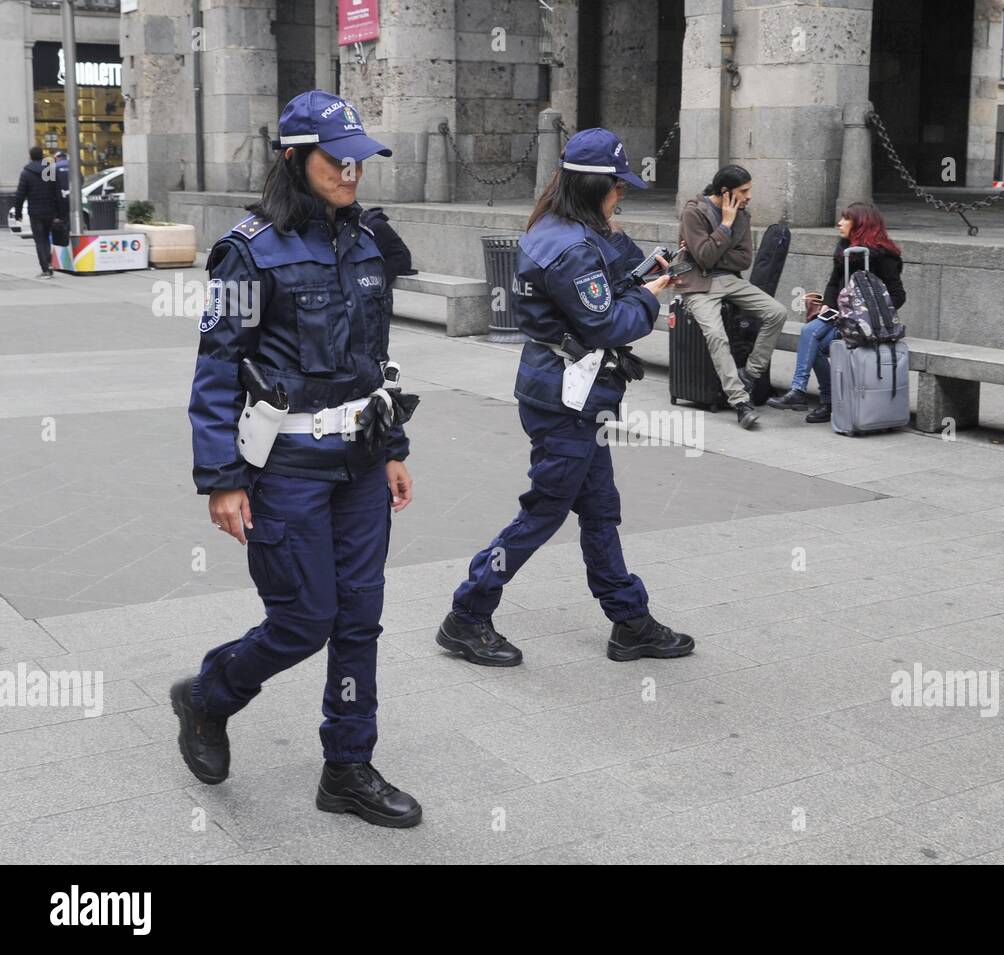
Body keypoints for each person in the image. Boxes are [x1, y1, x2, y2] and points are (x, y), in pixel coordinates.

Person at [172, 90, 423, 828]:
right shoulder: (250, 251)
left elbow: (376, 360)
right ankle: (208, 694)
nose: (351, 172)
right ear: (295, 157)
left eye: (358, 160)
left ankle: (347, 766)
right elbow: (217, 367)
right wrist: (221, 478)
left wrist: (394, 450)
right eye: (335, 159)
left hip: (361, 462)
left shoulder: (368, 242)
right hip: (287, 467)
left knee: (360, 617)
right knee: (304, 616)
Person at [437, 128, 694, 667]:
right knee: (544, 512)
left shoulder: (564, 228)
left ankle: (629, 621)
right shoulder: (572, 248)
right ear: (594, 187)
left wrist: (634, 258)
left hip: (569, 393)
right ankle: (467, 614)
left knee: (600, 510)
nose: (622, 193)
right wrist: (650, 297)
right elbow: (607, 323)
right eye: (617, 186)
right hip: (566, 399)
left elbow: (611, 274)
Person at [676, 165, 791, 429]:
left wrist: (710, 251)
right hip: (697, 283)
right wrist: (725, 226)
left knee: (777, 312)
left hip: (728, 279)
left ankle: (749, 374)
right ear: (726, 192)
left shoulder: (743, 215)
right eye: (744, 190)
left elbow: (744, 259)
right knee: (717, 336)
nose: (749, 196)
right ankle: (740, 402)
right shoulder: (694, 211)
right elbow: (703, 257)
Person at [768, 202, 905, 423]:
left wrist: (868, 310)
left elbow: (898, 295)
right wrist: (828, 305)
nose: (839, 223)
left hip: (868, 326)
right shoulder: (844, 249)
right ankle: (819, 398)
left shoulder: (883, 256)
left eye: (845, 219)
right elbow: (833, 284)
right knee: (813, 338)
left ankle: (811, 395)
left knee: (811, 335)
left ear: (861, 224)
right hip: (840, 318)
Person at [10, 146, 68, 278]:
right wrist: (60, 212)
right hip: (50, 210)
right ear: (42, 156)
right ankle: (49, 264)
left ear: (30, 156)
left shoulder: (26, 172)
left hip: (35, 212)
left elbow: (20, 194)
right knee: (47, 238)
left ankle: (45, 269)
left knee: (40, 240)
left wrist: (18, 213)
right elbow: (57, 192)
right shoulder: (49, 171)